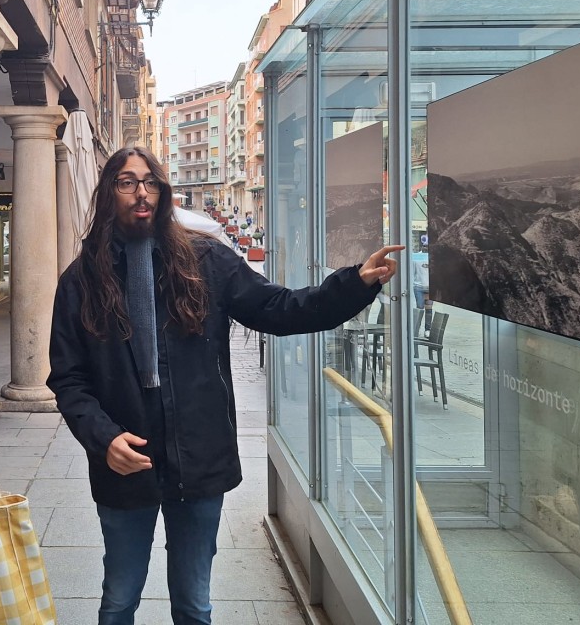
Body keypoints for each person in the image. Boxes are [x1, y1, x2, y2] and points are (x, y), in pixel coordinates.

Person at [47, 146, 401, 625]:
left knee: (194, 603)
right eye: (126, 182)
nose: (141, 192)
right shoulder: (81, 280)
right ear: (109, 193)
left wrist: (355, 284)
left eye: (150, 181)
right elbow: (68, 378)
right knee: (119, 598)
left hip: (199, 457)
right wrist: (102, 438)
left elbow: (279, 308)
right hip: (125, 459)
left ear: (164, 192)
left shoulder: (205, 260)